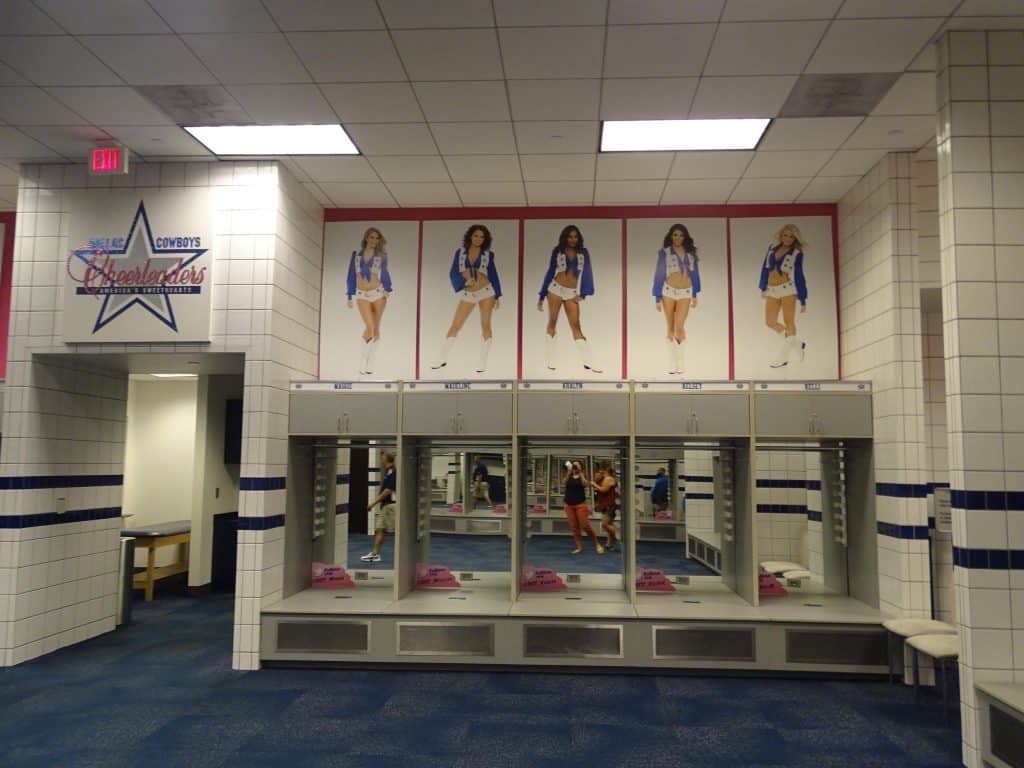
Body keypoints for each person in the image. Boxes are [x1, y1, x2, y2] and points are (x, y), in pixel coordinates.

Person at [431, 224, 503, 373]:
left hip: (486, 291)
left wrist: (497, 295)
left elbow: (493, 274)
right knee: (456, 325)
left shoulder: (489, 255)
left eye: (482, 237)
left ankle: (482, 362)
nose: (479, 239)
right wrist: (464, 283)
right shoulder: (460, 253)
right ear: (470, 236)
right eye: (476, 235)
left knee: (486, 325)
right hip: (468, 292)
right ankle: (441, 358)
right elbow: (453, 272)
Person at [537, 225, 601, 373]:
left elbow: (587, 273)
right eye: (570, 236)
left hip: (571, 292)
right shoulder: (557, 251)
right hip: (554, 289)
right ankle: (551, 359)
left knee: (576, 326)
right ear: (565, 237)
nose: (573, 239)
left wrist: (584, 293)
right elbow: (550, 271)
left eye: (575, 237)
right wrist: (542, 295)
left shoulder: (583, 253)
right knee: (552, 321)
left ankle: (589, 361)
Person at [652, 223, 700, 375]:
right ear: (670, 236)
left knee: (680, 325)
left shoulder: (691, 254)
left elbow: (695, 274)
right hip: (668, 291)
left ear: (684, 237)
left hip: (685, 291)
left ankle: (681, 362)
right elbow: (659, 274)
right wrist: (657, 297)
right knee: (670, 326)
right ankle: (673, 363)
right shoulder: (664, 253)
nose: (678, 237)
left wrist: (695, 294)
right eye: (675, 235)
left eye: (680, 235)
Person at [759, 223, 808, 368]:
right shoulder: (771, 250)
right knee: (770, 321)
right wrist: (762, 286)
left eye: (791, 236)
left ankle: (783, 357)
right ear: (781, 235)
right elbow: (764, 269)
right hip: (772, 290)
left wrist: (803, 298)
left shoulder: (797, 254)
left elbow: (799, 275)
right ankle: (797, 343)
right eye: (785, 235)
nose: (787, 238)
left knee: (789, 322)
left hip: (787, 290)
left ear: (795, 239)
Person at [345, 227, 393, 376]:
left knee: (375, 328)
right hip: (361, 294)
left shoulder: (381, 255)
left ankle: (370, 363)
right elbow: (351, 275)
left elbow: (384, 272)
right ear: (366, 238)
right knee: (370, 327)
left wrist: (387, 288)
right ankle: (362, 362)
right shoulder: (356, 255)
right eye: (372, 237)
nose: (374, 240)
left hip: (378, 293)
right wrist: (349, 294)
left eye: (377, 238)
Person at [361, 450, 396, 563]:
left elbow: (387, 491)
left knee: (393, 531)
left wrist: (373, 503)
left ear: (386, 460)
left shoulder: (393, 472)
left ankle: (406, 554)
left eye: (382, 458)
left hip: (390, 506)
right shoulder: (388, 472)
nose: (380, 460)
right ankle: (375, 554)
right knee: (380, 529)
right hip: (386, 506)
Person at [563, 459, 604, 555]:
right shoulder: (568, 476)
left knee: (585, 525)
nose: (575, 467)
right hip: (569, 505)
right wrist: (569, 472)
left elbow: (585, 484)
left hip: (580, 504)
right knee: (574, 527)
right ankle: (579, 547)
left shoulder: (583, 476)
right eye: (574, 465)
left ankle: (597, 544)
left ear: (581, 467)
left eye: (577, 466)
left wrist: (580, 473)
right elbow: (564, 482)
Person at [591, 460, 620, 551]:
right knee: (608, 524)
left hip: (610, 504)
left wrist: (594, 484)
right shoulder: (604, 478)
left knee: (605, 524)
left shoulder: (609, 479)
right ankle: (609, 544)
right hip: (605, 504)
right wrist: (596, 480)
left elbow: (603, 490)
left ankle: (620, 536)